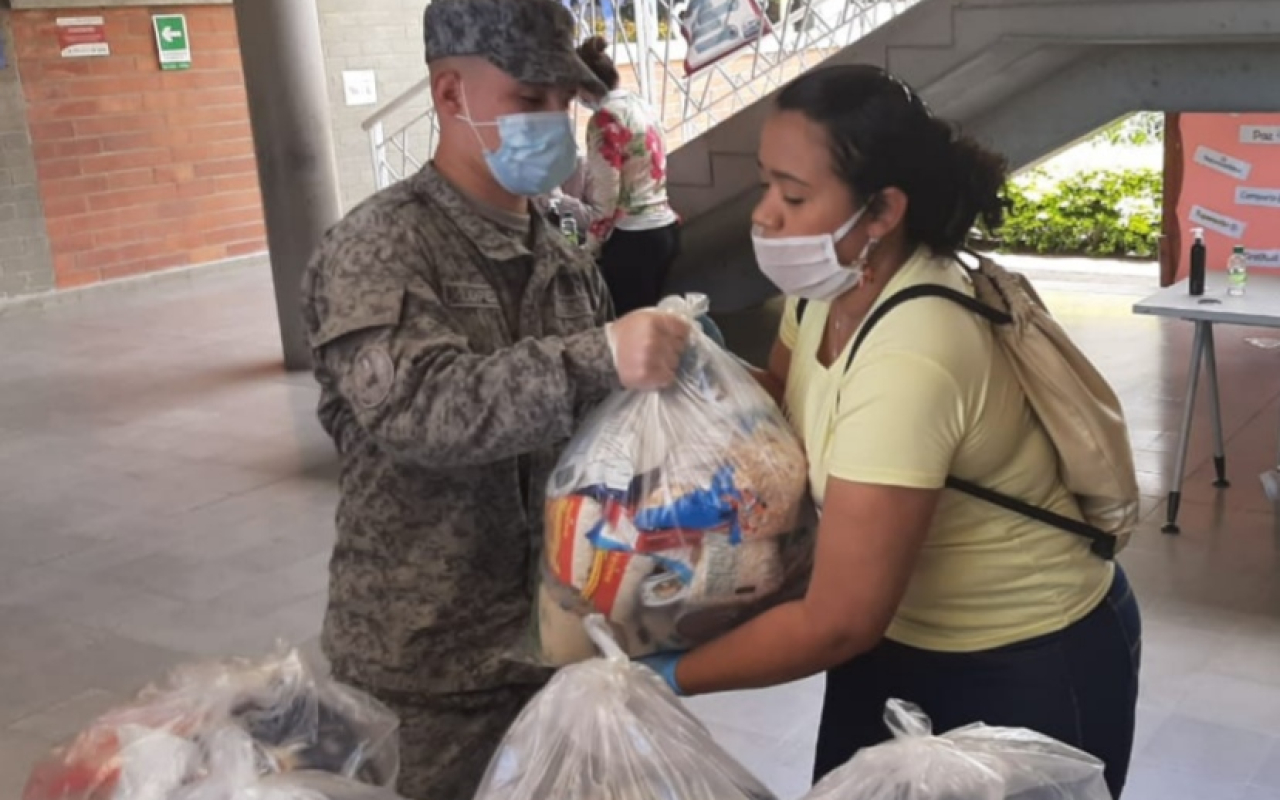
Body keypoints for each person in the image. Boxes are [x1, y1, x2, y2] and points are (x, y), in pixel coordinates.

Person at [639, 65, 1142, 798]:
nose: (765, 217)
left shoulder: (915, 350)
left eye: (795, 195)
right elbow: (788, 401)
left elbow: (838, 620)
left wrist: (661, 675)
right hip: (900, 639)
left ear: (880, 212)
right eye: (765, 185)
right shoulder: (826, 292)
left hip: (1022, 661)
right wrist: (693, 366)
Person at [298, 1, 694, 797]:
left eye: (562, 102)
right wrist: (600, 359)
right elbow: (418, 410)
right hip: (430, 668)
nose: (554, 120)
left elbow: (596, 434)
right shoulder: (383, 244)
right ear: (449, 95)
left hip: (563, 643)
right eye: (528, 100)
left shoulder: (559, 236)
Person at [576, 36, 682, 315]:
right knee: (653, 320)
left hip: (634, 239)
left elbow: (607, 196)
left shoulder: (604, 119)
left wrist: (590, 247)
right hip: (665, 229)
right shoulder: (640, 105)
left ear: (584, 87)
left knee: (629, 329)